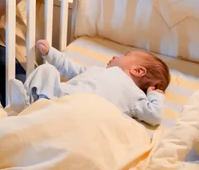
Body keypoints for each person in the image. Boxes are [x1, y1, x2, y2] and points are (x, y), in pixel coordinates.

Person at [9, 39, 171, 126]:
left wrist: (154, 95)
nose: (115, 57)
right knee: (47, 70)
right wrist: (51, 54)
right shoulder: (98, 71)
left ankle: (33, 104)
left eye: (124, 56)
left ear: (137, 70)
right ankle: (30, 102)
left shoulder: (136, 97)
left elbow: (154, 115)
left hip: (88, 111)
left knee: (48, 74)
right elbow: (71, 68)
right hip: (60, 97)